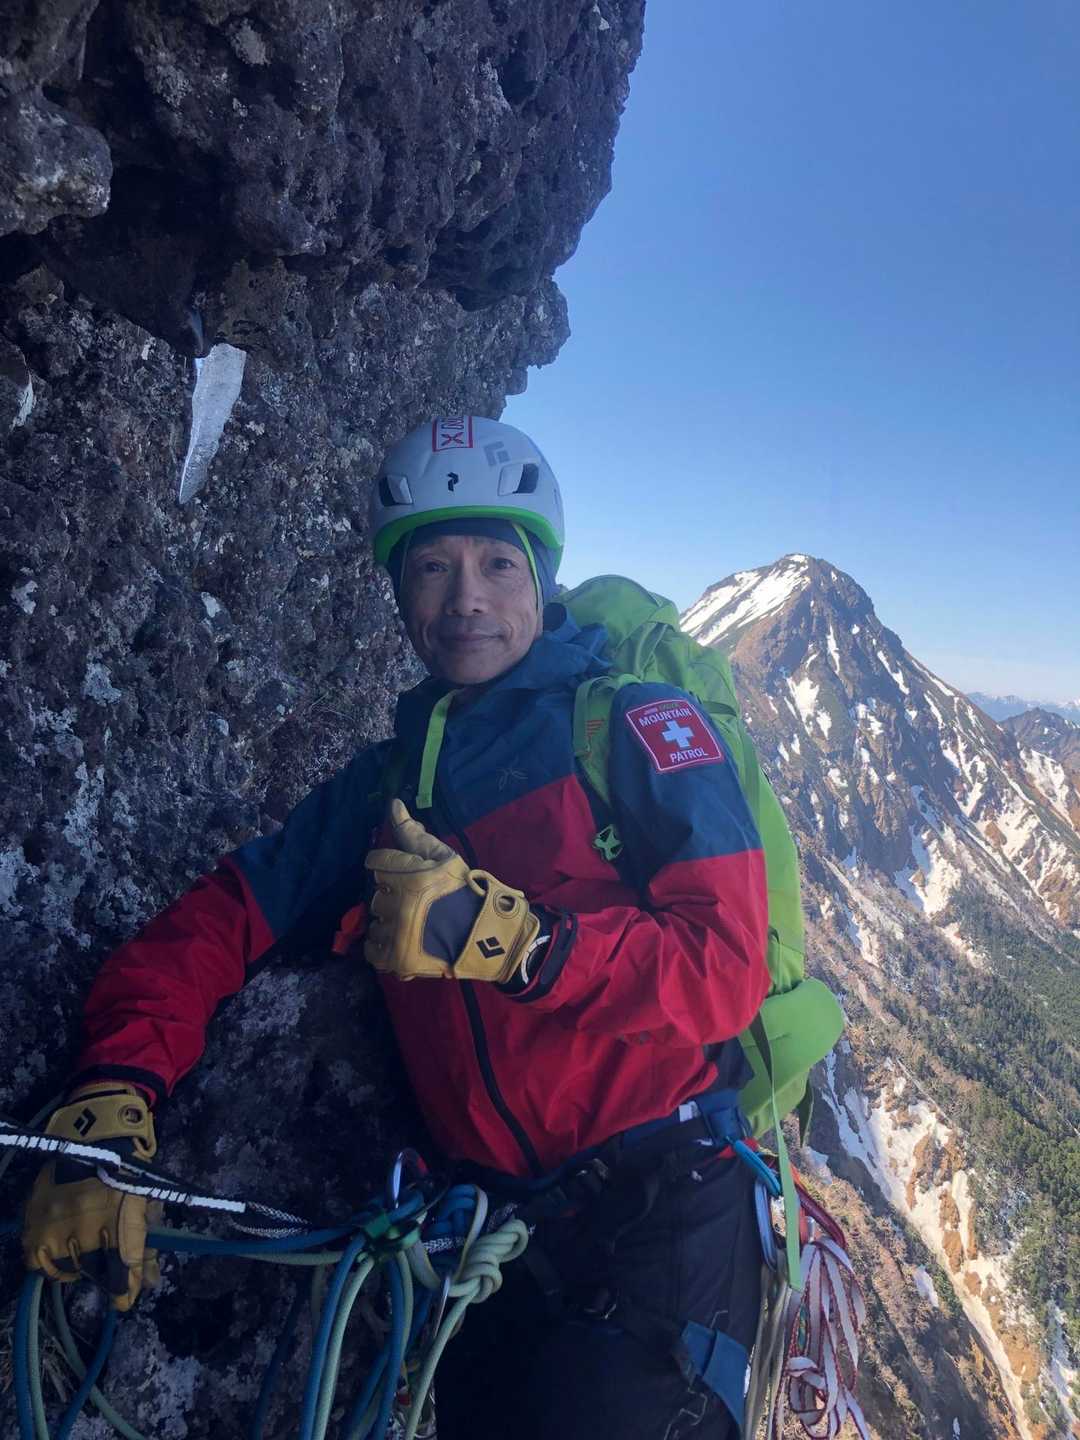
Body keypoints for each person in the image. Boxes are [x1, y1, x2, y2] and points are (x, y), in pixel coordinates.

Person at [22, 416, 770, 1438]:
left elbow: (724, 972)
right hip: (496, 1233)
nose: (466, 598)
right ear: (399, 595)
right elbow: (220, 922)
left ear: (540, 577)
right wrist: (114, 1087)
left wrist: (521, 944)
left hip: (667, 1205)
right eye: (431, 567)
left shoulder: (640, 726)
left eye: (496, 563)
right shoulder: (387, 787)